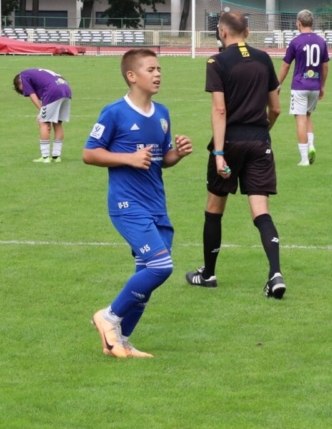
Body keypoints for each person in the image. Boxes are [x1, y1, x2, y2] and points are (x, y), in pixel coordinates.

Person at [83, 49, 193, 358]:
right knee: (161, 266)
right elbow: (89, 154)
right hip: (127, 204)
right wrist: (128, 158)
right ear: (132, 76)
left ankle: (120, 341)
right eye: (150, 69)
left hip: (157, 205)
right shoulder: (114, 112)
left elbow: (160, 159)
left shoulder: (162, 114)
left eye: (159, 69)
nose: (158, 74)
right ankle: (108, 317)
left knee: (146, 274)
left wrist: (177, 154)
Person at [185, 12, 285, 299]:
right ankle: (275, 274)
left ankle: (208, 274)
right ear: (248, 32)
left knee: (214, 209)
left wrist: (218, 153)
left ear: (222, 32)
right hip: (260, 141)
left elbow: (219, 110)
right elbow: (275, 108)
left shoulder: (216, 62)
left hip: (229, 142)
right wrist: (262, 131)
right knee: (261, 212)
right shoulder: (264, 59)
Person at [277, 9, 329, 166]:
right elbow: (325, 66)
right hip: (315, 85)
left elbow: (286, 65)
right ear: (312, 23)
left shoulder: (295, 42)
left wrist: (278, 84)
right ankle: (311, 144)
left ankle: (304, 159)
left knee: (300, 119)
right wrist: (322, 85)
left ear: (298, 23)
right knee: (307, 116)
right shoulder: (321, 41)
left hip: (300, 85)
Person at [13, 68, 72, 163]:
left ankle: (45, 157)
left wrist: (41, 110)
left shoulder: (23, 76)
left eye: (22, 89)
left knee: (43, 122)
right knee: (58, 123)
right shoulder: (37, 73)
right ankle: (56, 157)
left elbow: (32, 94)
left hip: (53, 90)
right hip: (66, 89)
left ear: (19, 82)